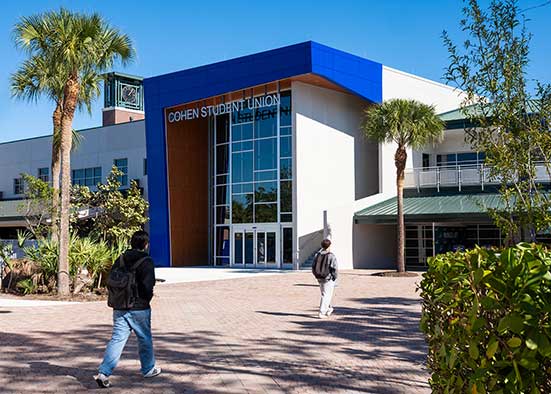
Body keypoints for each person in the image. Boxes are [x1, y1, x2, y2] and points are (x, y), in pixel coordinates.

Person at [94, 231, 161, 388]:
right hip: (139, 307)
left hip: (120, 305)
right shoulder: (146, 261)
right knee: (144, 339)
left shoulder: (121, 258)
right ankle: (148, 368)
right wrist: (146, 299)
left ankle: (104, 372)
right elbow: (147, 285)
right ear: (145, 244)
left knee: (117, 339)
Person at [312, 239, 338, 319]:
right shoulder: (331, 255)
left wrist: (316, 275)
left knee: (325, 293)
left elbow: (313, 266)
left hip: (319, 277)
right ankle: (321, 312)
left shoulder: (317, 255)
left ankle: (329, 308)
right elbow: (335, 268)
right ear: (329, 246)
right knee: (326, 294)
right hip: (328, 278)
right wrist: (334, 277)